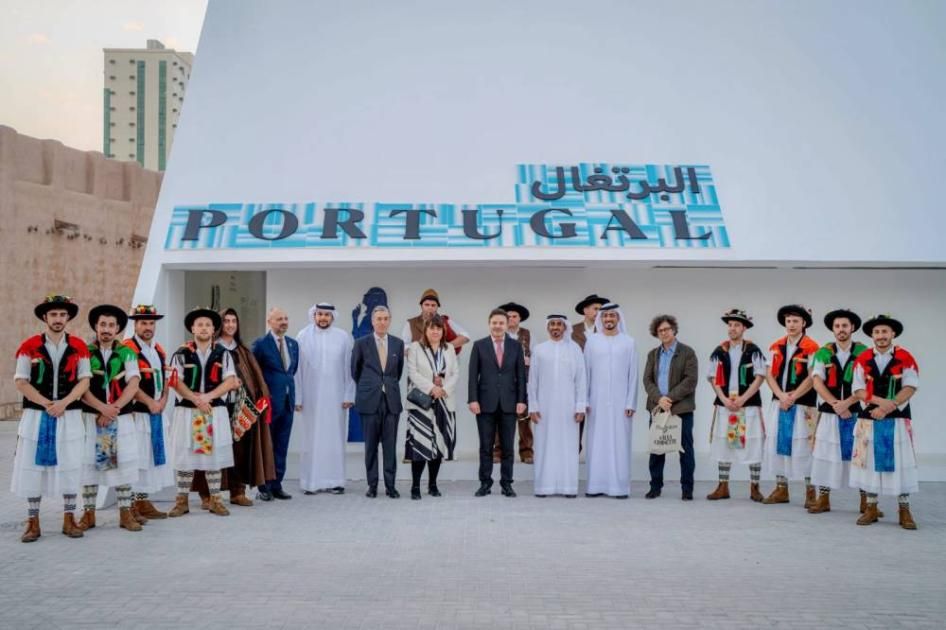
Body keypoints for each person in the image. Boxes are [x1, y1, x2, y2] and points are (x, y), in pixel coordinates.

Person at [12, 295, 91, 543]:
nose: (58, 319)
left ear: (68, 318)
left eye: (62, 315)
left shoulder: (79, 346)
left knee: (70, 463)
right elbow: (21, 381)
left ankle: (69, 519)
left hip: (69, 414)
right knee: (33, 467)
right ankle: (33, 522)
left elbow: (85, 381)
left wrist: (64, 403)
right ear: (45, 317)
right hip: (38, 414)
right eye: (54, 314)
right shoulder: (29, 346)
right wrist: (46, 403)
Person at [191, 308, 276, 508]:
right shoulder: (211, 349)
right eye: (226, 321)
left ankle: (237, 491)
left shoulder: (243, 351)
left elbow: (254, 380)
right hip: (213, 407)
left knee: (240, 449)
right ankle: (207, 494)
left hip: (239, 408)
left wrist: (256, 398)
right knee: (209, 448)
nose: (230, 325)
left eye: (233, 321)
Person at [167, 308, 239, 517]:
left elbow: (230, 381)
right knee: (184, 455)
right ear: (192, 328)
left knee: (214, 456)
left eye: (208, 325)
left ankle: (216, 500)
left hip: (213, 411)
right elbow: (175, 381)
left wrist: (208, 397)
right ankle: (181, 501)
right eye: (200, 325)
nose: (204, 328)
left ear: (214, 329)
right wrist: (195, 398)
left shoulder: (223, 353)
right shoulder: (181, 354)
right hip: (187, 411)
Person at [851, 315, 919, 529]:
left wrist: (890, 406)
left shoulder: (905, 357)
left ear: (893, 334)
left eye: (885, 332)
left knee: (901, 462)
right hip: (869, 417)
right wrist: (881, 404)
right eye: (877, 332)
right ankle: (871, 508)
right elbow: (858, 389)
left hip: (897, 419)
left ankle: (904, 510)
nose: (881, 336)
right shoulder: (862, 359)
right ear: (872, 335)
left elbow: (910, 386)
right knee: (869, 462)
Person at [78, 304, 142, 532]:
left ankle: (125, 514)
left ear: (117, 328)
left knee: (122, 464)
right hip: (91, 418)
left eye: (111, 325)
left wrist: (113, 408)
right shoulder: (84, 352)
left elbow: (133, 383)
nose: (106, 329)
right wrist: (101, 409)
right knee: (88, 465)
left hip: (119, 418)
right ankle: (88, 514)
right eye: (102, 324)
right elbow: (81, 386)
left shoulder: (127, 353)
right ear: (96, 327)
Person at [807, 309, 870, 515]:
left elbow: (868, 383)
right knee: (825, 454)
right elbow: (817, 382)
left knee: (860, 455)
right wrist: (836, 404)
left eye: (844, 325)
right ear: (833, 329)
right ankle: (823, 499)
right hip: (829, 412)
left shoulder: (864, 352)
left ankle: (866, 502)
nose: (841, 329)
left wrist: (848, 403)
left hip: (856, 412)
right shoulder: (823, 352)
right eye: (837, 326)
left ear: (852, 328)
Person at [705, 309, 767, 502]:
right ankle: (723, 486)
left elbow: (760, 376)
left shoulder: (753, 350)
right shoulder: (719, 351)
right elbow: (712, 377)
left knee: (753, 443)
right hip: (726, 403)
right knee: (725, 443)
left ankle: (755, 487)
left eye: (737, 325)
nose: (732, 328)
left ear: (744, 328)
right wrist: (723, 398)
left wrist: (743, 399)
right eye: (730, 325)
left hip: (748, 404)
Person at [401, 288, 469, 462]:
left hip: (441, 381)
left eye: (433, 305)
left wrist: (444, 348)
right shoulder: (410, 323)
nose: (430, 308)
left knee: (441, 416)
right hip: (420, 379)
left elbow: (465, 336)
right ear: (421, 305)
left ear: (437, 307)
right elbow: (404, 346)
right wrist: (422, 353)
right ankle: (413, 453)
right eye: (427, 304)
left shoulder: (445, 321)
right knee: (418, 415)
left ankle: (440, 452)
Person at [762, 304, 820, 507]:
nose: (792, 325)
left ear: (804, 323)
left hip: (803, 405)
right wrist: (780, 395)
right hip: (780, 403)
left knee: (805, 446)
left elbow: (813, 377)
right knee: (778, 444)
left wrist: (793, 397)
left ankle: (810, 492)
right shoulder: (776, 346)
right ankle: (781, 489)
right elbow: (768, 374)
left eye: (796, 321)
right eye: (788, 321)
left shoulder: (812, 347)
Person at [296, 303, 355, 495]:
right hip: (310, 398)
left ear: (332, 317)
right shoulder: (303, 336)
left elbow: (349, 368)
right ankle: (311, 482)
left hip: (336, 398)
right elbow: (297, 370)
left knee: (335, 438)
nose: (323, 318)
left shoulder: (343, 337)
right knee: (311, 439)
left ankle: (335, 481)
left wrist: (349, 394)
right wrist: (298, 397)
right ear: (314, 315)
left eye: (326, 315)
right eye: (320, 314)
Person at [468, 308, 527, 497]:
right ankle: (485, 483)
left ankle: (506, 483)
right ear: (489, 324)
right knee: (485, 446)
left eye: (501, 323)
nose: (498, 326)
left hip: (509, 403)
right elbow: (473, 375)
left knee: (508, 447)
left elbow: (521, 376)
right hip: (485, 403)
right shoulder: (479, 345)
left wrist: (522, 400)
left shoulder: (516, 346)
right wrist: (473, 399)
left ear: (507, 325)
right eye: (494, 322)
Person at [124, 305, 174, 520]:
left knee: (150, 459)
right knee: (136, 459)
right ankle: (130, 505)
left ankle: (143, 502)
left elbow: (165, 379)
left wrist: (163, 400)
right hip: (136, 413)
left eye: (151, 323)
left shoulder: (159, 349)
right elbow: (129, 383)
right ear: (135, 325)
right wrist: (149, 402)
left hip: (156, 412)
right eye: (143, 323)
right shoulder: (127, 349)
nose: (148, 327)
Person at [528, 315, 587, 498]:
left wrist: (580, 407)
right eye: (552, 324)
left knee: (568, 445)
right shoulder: (539, 350)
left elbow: (581, 379)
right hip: (544, 407)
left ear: (564, 327)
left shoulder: (575, 349)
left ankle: (568, 487)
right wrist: (533, 406)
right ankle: (544, 487)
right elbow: (533, 380)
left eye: (559, 324)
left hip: (569, 406)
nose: (555, 327)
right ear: (548, 327)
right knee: (544, 445)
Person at [584, 303, 639, 498]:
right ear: (601, 319)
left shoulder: (629, 342)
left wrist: (631, 402)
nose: (608, 319)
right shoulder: (592, 342)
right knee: (596, 443)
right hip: (596, 402)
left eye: (612, 315)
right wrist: (585, 400)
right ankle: (595, 486)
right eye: (605, 315)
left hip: (621, 403)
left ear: (618, 318)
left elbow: (633, 374)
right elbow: (586, 373)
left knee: (620, 443)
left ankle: (619, 487)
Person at [642, 314, 699, 501]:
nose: (664, 333)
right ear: (656, 333)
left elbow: (690, 380)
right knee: (657, 449)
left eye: (667, 329)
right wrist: (659, 399)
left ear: (674, 330)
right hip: (658, 408)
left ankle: (687, 489)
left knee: (685, 450)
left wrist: (669, 398)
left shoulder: (687, 352)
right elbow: (647, 380)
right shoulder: (653, 354)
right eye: (660, 330)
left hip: (681, 409)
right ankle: (655, 487)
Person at [351, 305, 405, 498]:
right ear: (373, 321)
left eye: (385, 319)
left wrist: (386, 386)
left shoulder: (398, 344)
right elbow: (355, 371)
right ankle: (372, 486)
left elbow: (397, 372)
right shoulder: (361, 343)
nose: (382, 322)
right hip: (369, 401)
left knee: (390, 446)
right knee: (371, 446)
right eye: (379, 319)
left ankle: (391, 486)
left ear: (389, 321)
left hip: (391, 401)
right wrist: (371, 386)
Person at [405, 315, 459, 499]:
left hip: (444, 401)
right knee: (420, 446)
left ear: (443, 331)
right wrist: (432, 388)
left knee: (439, 446)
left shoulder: (449, 348)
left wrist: (444, 389)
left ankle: (433, 485)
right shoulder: (415, 347)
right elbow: (412, 373)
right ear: (425, 330)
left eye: (439, 328)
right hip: (422, 403)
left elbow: (455, 373)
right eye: (432, 328)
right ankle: (415, 487)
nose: (435, 331)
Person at [251, 307, 299, 501]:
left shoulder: (293, 344)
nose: (283, 322)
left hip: (287, 403)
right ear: (269, 321)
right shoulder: (260, 345)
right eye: (279, 319)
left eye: (286, 318)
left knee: (281, 445)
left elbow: (291, 371)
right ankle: (263, 486)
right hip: (268, 405)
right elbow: (254, 374)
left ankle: (277, 484)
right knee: (266, 445)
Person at [493, 301, 533, 464]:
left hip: (523, 382)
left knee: (524, 419)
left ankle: (526, 452)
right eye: (508, 316)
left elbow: (537, 356)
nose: (511, 319)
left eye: (514, 316)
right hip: (504, 383)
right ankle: (498, 451)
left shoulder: (529, 335)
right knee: (500, 418)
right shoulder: (497, 336)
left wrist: (530, 360)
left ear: (520, 318)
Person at [571, 293, 608, 454]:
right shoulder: (572, 330)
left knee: (599, 418)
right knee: (576, 416)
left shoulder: (605, 331)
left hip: (599, 381)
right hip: (576, 380)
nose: (598, 312)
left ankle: (598, 453)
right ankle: (574, 450)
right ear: (585, 310)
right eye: (595, 308)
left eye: (600, 309)